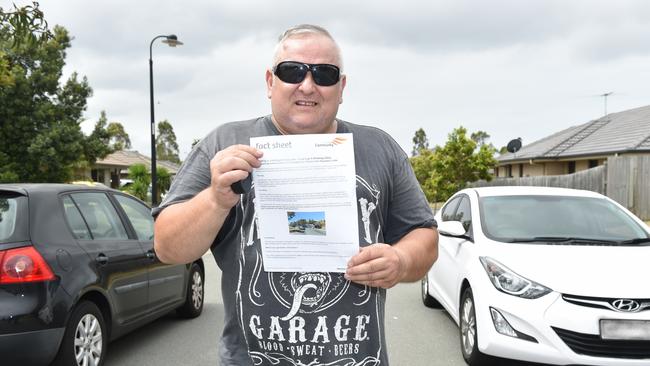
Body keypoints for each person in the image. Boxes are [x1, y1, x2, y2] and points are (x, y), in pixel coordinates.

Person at [153, 24, 438, 366]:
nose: (307, 85)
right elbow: (167, 247)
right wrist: (215, 199)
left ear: (341, 87)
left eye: (324, 74)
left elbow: (425, 236)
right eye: (292, 71)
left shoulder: (381, 149)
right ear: (270, 82)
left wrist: (401, 260)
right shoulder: (222, 144)